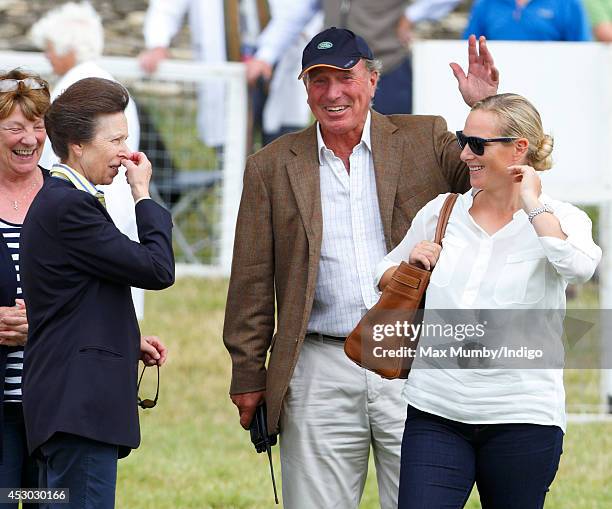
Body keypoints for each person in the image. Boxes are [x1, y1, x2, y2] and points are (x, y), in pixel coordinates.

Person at [223, 27, 499, 509]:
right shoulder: (270, 165)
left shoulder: (425, 136)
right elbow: (250, 279)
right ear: (305, 89)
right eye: (318, 80)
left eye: (345, 77)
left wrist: (488, 110)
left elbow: (499, 181)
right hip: (318, 366)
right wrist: (248, 376)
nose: (333, 93)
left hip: (415, 363)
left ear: (372, 80)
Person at [375, 93, 601, 508]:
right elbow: (383, 273)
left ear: (520, 149)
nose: (464, 154)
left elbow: (579, 266)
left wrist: (532, 204)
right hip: (435, 412)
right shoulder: (442, 211)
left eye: (478, 145)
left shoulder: (562, 218)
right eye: (465, 140)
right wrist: (411, 264)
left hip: (524, 418)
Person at [20, 77, 175, 509]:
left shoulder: (64, 201)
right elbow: (157, 269)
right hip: (79, 410)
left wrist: (127, 342)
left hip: (69, 407)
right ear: (77, 146)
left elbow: (74, 299)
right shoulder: (70, 205)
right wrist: (143, 194)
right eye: (116, 140)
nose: (127, 153)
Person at [30, 1, 146, 319]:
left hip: (86, 210)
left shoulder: (75, 91)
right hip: (117, 204)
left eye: (51, 47)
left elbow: (56, 160)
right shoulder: (110, 83)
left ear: (69, 47)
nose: (47, 56)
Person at [138, 0, 313, 149]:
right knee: (232, 154)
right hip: (227, 72)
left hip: (280, 66)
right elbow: (166, 8)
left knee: (283, 149)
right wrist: (157, 43)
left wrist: (268, 54)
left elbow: (304, 11)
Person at [246, 0, 463, 114]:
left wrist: (412, 15)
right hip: (335, 74)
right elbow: (297, 12)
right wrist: (266, 55)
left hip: (388, 70)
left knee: (393, 155)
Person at [0, 69, 49, 507]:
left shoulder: (66, 197)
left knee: (45, 499)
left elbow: (96, 288)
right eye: (15, 127)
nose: (28, 138)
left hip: (52, 405)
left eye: (38, 125)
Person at [463, 0, 592, 41]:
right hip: (498, 91)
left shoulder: (568, 3)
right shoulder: (485, 3)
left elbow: (581, 48)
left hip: (552, 83)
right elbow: (470, 46)